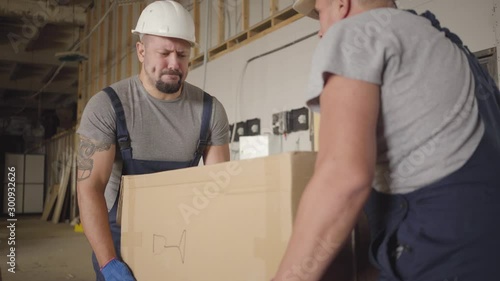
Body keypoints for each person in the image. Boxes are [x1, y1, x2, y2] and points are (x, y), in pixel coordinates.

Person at [273, 0, 500, 280]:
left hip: (438, 260)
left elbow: (343, 179)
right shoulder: (449, 47)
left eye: (319, 14)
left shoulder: (354, 34)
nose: (320, 33)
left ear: (342, 4)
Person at [76, 1, 230, 280]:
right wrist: (108, 262)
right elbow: (90, 189)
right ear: (141, 50)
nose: (174, 64)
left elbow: (217, 189)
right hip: (120, 246)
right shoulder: (107, 106)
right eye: (164, 53)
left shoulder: (210, 111)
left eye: (182, 54)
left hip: (182, 240)